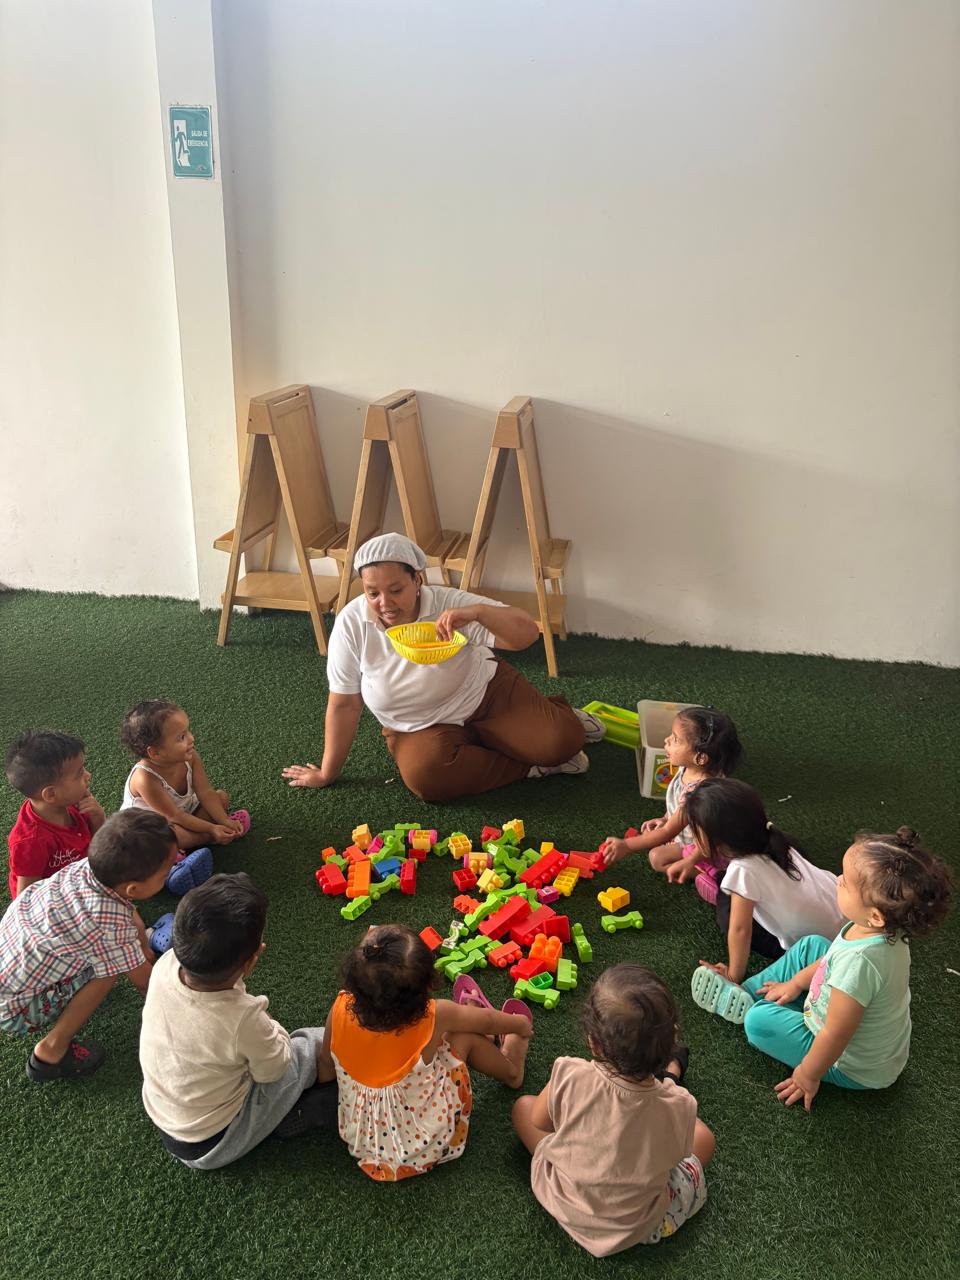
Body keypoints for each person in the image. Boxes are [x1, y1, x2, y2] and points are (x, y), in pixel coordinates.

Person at [282, 533, 604, 803]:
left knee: (561, 742)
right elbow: (344, 704)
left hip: (484, 693)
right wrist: (327, 772)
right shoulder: (351, 623)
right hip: (416, 725)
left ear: (418, 580)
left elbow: (527, 634)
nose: (385, 603)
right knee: (428, 779)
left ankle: (557, 718)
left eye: (396, 590)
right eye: (372, 593)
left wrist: (477, 612)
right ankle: (532, 765)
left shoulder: (447, 603)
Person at [691, 826, 953, 1109]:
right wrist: (795, 983)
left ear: (876, 916)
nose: (838, 880)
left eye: (846, 883)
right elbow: (830, 958)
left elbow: (835, 1035)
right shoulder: (881, 930)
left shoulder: (861, 964)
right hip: (852, 1023)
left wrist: (807, 1075)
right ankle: (744, 992)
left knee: (757, 1021)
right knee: (811, 945)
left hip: (852, 1065)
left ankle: (753, 1005)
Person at [512, 964, 715, 1256]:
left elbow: (538, 1120)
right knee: (704, 1138)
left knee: (522, 1107)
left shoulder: (570, 1073)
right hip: (636, 1224)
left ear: (593, 1043)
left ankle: (669, 1074)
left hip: (562, 1196)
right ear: (671, 1040)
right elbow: (677, 1157)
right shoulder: (678, 1105)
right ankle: (670, 1074)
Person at [139, 873, 336, 1169]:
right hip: (215, 1143)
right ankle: (302, 1108)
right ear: (252, 960)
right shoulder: (242, 1019)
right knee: (311, 1044)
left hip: (169, 1119)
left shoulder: (165, 966)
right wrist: (271, 1026)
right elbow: (274, 1070)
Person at [316, 923, 534, 1181]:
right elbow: (487, 1021)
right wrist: (520, 1025)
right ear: (427, 985)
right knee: (461, 1036)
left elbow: (326, 1064)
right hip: (425, 1144)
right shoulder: (436, 1014)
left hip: (369, 1145)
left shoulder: (339, 1008)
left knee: (433, 1041)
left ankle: (469, 1023)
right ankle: (512, 1072)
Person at [0, 809, 178, 1081]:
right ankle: (51, 1050)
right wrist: (180, 1012)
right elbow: (145, 983)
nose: (168, 875)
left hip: (10, 965)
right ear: (132, 888)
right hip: (18, 1010)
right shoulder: (108, 922)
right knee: (108, 970)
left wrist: (141, 943)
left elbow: (126, 911)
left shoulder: (86, 870)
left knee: (113, 955)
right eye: (164, 874)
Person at [688, 779, 844, 983]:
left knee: (729, 912)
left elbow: (740, 930)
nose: (691, 836)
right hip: (849, 927)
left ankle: (720, 885)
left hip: (818, 953)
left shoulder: (742, 870)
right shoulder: (778, 841)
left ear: (716, 837)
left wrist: (733, 975)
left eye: (694, 830)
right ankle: (721, 884)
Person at [600, 707, 741, 903]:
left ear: (700, 757)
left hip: (703, 846)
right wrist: (665, 818)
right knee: (653, 839)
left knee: (657, 858)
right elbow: (675, 810)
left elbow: (667, 832)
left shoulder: (699, 793)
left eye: (675, 739)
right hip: (689, 834)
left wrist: (626, 845)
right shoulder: (691, 767)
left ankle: (712, 873)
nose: (666, 741)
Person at [120, 699, 249, 851]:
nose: (191, 738)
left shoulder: (191, 757)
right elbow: (174, 815)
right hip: (151, 829)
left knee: (221, 798)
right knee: (168, 837)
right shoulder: (145, 778)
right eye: (181, 737)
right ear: (155, 752)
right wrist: (211, 829)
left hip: (184, 812)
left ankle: (187, 846)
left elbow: (205, 792)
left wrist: (224, 820)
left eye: (188, 731)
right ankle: (207, 839)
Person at [5, 729, 106, 899]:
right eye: (79, 773)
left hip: (82, 877)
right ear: (51, 794)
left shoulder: (76, 804)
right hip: (55, 900)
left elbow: (101, 848)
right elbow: (25, 899)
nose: (88, 775)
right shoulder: (31, 840)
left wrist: (98, 818)